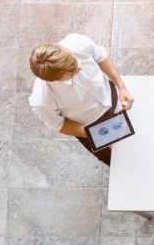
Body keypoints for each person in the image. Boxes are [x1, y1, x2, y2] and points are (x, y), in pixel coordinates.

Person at [29, 33, 134, 166]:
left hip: (115, 99)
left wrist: (121, 87)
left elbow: (100, 56)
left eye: (74, 61)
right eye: (72, 72)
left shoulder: (76, 42)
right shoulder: (42, 101)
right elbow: (60, 125)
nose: (79, 68)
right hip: (91, 127)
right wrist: (97, 134)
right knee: (123, 165)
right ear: (55, 80)